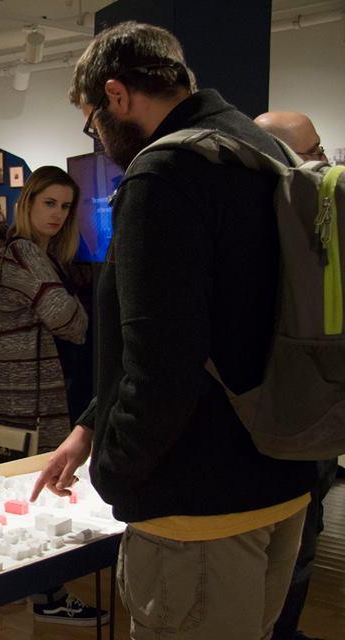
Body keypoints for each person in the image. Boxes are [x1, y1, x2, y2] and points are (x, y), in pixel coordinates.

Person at [31, 22, 317, 640]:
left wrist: (118, 467)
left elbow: (162, 355)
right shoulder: (264, 151)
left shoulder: (165, 174)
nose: (99, 137)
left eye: (91, 120)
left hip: (200, 501)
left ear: (116, 95)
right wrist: (90, 427)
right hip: (285, 475)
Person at [0, 167, 101, 626]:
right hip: (24, 393)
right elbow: (69, 321)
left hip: (27, 389)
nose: (57, 214)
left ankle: (19, 585)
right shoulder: (25, 252)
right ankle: (44, 593)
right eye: (48, 203)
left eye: (66, 206)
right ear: (27, 202)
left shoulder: (45, 256)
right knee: (39, 489)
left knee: (26, 489)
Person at [254, 110, 338, 640]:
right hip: (277, 410)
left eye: (321, 148)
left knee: (304, 534)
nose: (323, 163)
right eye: (311, 153)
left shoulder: (318, 210)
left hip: (314, 406)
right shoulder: (263, 219)